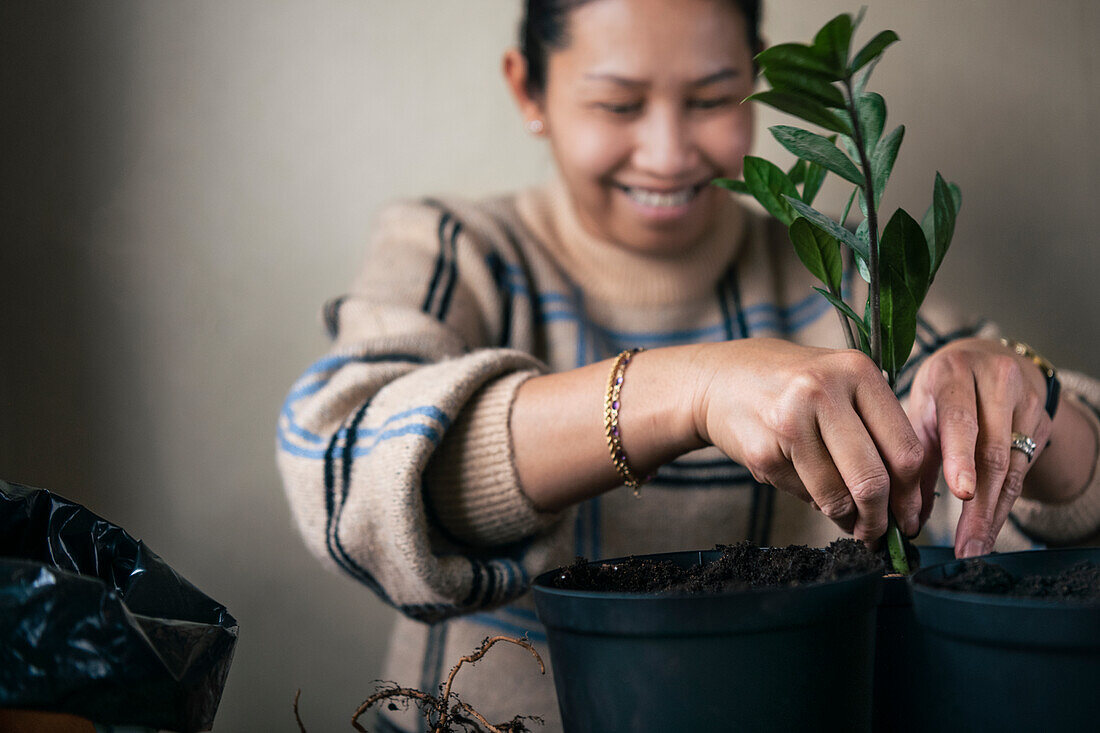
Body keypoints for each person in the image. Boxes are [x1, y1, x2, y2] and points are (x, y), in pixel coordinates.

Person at [277, 1, 1100, 729]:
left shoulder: (838, 272)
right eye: (618, 103)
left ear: (756, 77)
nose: (669, 153)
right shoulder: (460, 251)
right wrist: (690, 386)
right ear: (528, 88)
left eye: (711, 99)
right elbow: (341, 471)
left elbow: (1050, 459)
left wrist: (1027, 399)